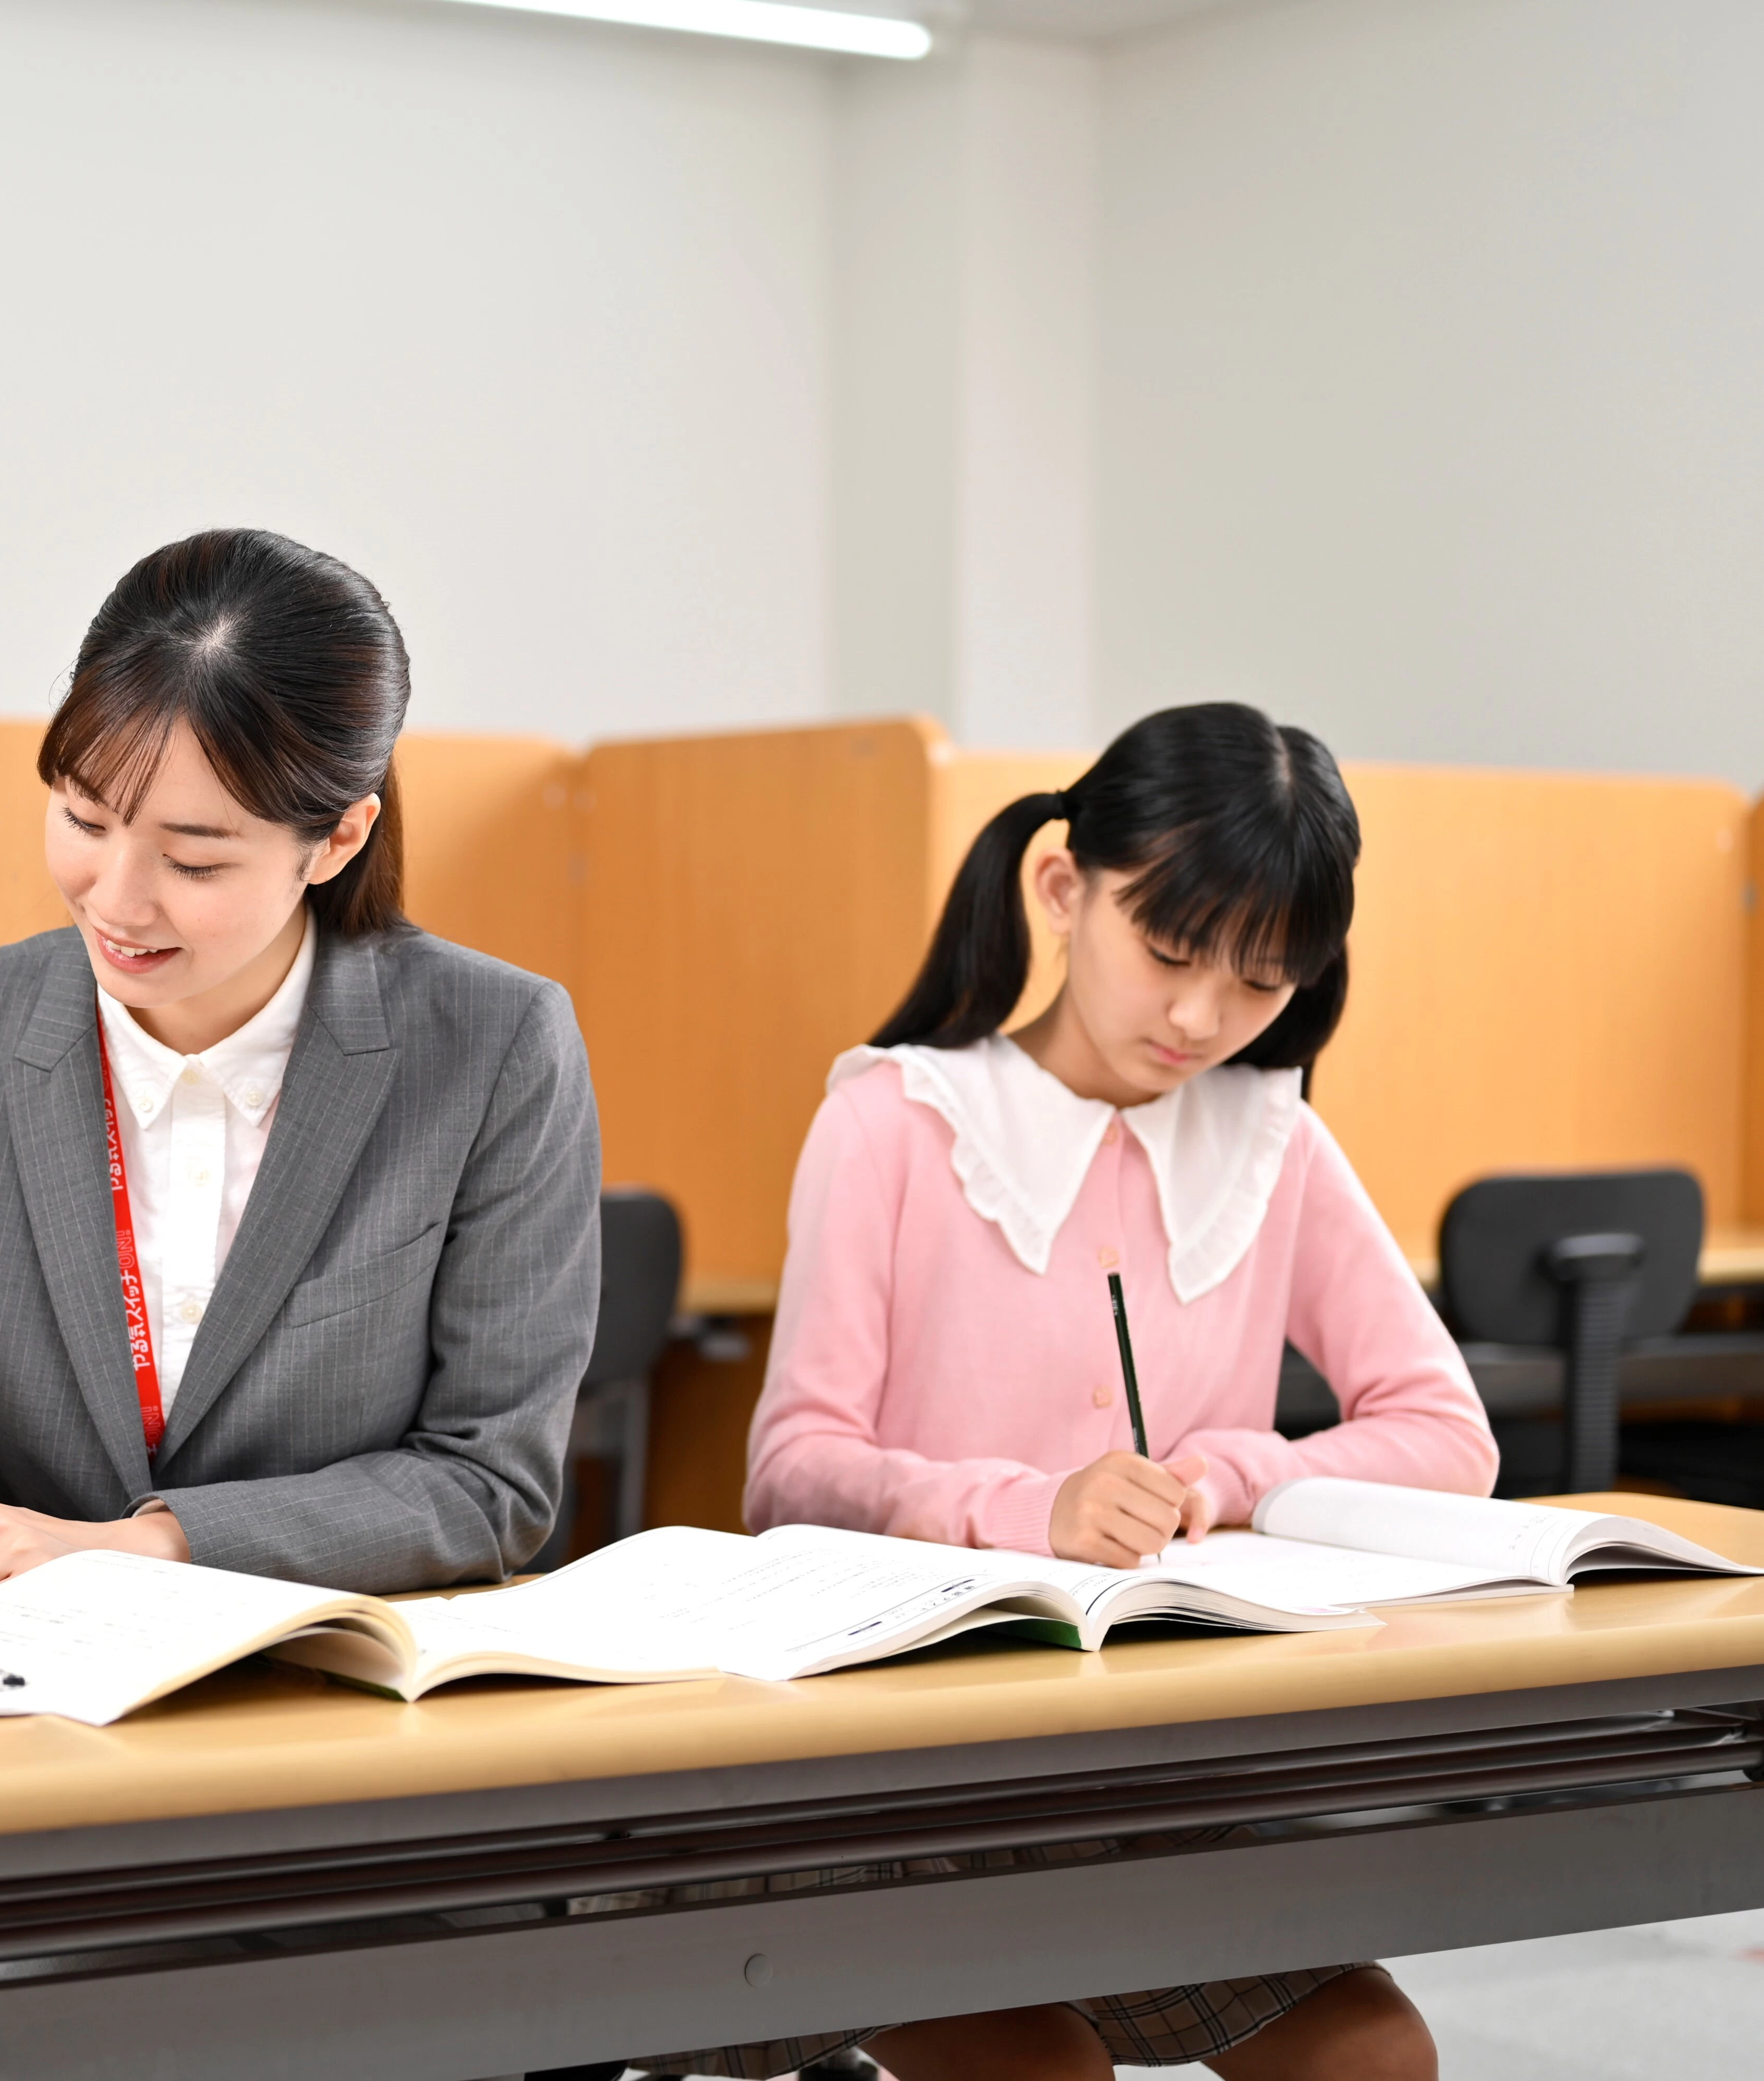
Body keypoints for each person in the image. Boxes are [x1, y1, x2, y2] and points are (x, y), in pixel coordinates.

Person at [614, 704, 1485, 2081]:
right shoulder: (894, 1119)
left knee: (1371, 2057)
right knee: (1041, 2071)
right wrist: (1029, 1509)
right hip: (896, 1772)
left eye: (1260, 981)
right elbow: (790, 1468)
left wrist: (1225, 1472)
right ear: (1064, 888)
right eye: (1170, 952)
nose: (1200, 1018)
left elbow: (1446, 1434)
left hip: (1150, 1765)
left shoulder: (1274, 1140)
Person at [0, 527, 601, 1645]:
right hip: (25, 1690)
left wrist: (144, 1546)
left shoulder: (494, 1047)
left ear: (337, 838)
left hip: (344, 1692)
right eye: (84, 818)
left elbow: (487, 1481)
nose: (116, 899)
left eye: (194, 858)